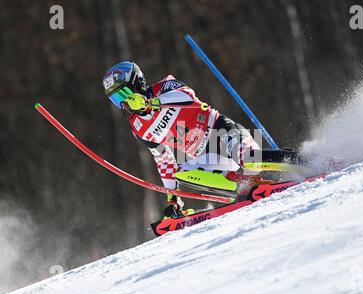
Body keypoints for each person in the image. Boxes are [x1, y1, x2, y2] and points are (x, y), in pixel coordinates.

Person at [103, 61, 260, 218]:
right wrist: (173, 198)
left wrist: (152, 103)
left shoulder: (164, 87)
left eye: (123, 94)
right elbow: (164, 160)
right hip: (207, 155)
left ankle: (268, 165)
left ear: (137, 83)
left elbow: (188, 96)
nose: (123, 103)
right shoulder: (139, 128)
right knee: (183, 173)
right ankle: (244, 187)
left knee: (250, 159)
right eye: (116, 99)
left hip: (221, 131)